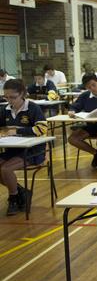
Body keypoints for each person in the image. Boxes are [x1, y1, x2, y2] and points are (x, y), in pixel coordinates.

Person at [0, 79, 47, 216]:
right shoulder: (5, 110)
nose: (9, 100)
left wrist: (17, 131)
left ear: (22, 94)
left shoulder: (33, 108)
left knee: (5, 169)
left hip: (33, 150)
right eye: (6, 97)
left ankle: (14, 198)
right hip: (12, 149)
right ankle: (21, 192)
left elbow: (42, 128)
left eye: (13, 97)